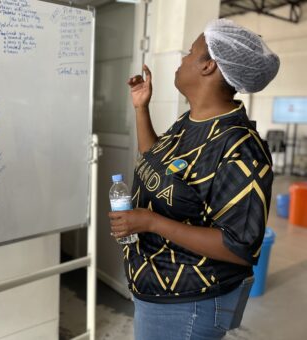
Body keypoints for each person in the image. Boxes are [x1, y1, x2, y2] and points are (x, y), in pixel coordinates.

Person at [108, 18, 279, 340]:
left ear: (208, 66)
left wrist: (153, 223)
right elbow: (157, 163)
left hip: (190, 301)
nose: (182, 59)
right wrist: (141, 108)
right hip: (157, 287)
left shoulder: (240, 148)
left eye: (190, 52)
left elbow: (239, 246)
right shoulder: (191, 121)